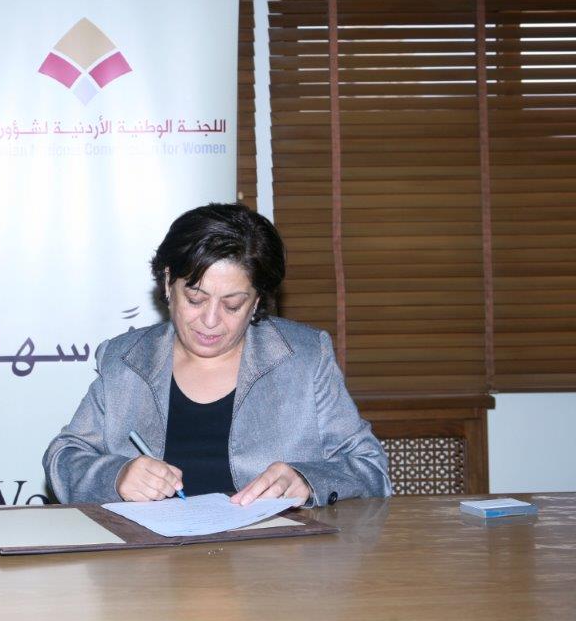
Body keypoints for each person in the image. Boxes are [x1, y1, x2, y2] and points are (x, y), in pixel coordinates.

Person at [43, 203, 391, 507]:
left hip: (273, 558)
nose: (210, 321)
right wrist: (116, 476)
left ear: (256, 301)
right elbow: (64, 457)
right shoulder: (126, 359)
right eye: (195, 299)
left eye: (232, 305)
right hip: (151, 558)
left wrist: (308, 481)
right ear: (168, 283)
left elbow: (370, 468)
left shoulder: (304, 357)